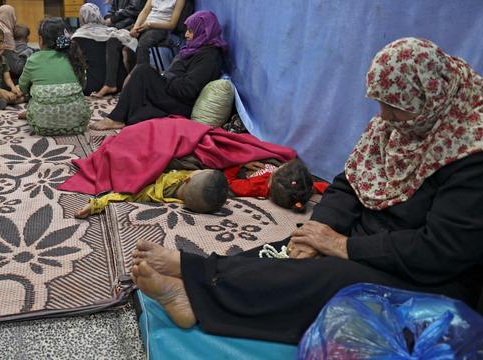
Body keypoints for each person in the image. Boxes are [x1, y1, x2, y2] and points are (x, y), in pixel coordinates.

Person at [130, 37, 483, 344]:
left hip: (428, 275)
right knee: (288, 251)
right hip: (372, 240)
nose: (384, 116)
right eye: (381, 104)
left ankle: (196, 296)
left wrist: (344, 247)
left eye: (394, 107)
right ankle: (198, 272)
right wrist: (316, 232)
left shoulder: (469, 153)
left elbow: (442, 249)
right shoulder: (398, 126)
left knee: (330, 278)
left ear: (429, 99)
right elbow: (349, 184)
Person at [91, 10, 226, 130]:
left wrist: (166, 77)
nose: (186, 34)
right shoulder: (195, 49)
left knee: (143, 70)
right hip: (172, 91)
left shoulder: (209, 56)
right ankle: (120, 116)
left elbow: (189, 89)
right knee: (141, 83)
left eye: (191, 31)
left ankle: (116, 118)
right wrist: (164, 76)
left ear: (204, 32)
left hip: (181, 102)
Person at [94, 0, 187, 98]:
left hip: (160, 28)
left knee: (142, 45)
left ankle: (140, 85)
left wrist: (150, 24)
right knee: (114, 40)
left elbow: (172, 24)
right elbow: (144, 11)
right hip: (145, 25)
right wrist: (136, 27)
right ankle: (111, 84)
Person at [17, 17, 90, 136]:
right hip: (78, 124)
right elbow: (83, 85)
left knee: (34, 88)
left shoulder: (33, 60)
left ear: (40, 40)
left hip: (41, 126)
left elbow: (22, 87)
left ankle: (37, 111)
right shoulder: (74, 56)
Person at [75, 169, 229, 218]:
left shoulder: (153, 192)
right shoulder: (191, 192)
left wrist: (95, 205)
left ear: (188, 178)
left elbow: (125, 195)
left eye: (202, 170)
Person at [102, 0, 152, 93]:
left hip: (137, 23)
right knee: (98, 35)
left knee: (113, 40)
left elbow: (135, 9)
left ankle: (119, 84)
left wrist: (112, 20)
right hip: (123, 21)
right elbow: (114, 6)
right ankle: (116, 81)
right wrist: (108, 17)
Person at [224, 158, 329, 212]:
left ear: (270, 184)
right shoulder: (301, 189)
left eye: (279, 168)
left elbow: (228, 181)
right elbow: (323, 186)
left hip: (248, 165)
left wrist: (240, 163)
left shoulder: (255, 186)